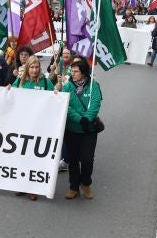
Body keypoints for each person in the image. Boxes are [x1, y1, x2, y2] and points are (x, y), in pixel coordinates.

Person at [10, 55, 57, 201]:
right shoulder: (20, 80)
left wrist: (57, 92)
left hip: (39, 125)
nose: (34, 70)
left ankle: (33, 187)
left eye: (37, 67)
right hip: (22, 124)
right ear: (27, 68)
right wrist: (7, 88)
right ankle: (20, 185)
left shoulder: (45, 81)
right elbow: (11, 95)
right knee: (21, 155)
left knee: (34, 156)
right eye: (32, 67)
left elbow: (53, 99)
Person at [61, 57, 102, 199]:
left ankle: (85, 183)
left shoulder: (93, 86)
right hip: (72, 129)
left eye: (76, 71)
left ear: (84, 72)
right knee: (73, 159)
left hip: (88, 130)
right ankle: (73, 187)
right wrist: (79, 119)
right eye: (72, 71)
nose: (73, 73)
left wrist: (87, 118)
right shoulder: (67, 86)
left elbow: (95, 103)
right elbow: (66, 105)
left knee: (87, 159)